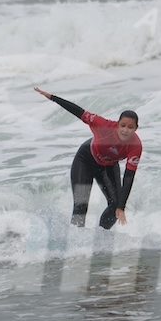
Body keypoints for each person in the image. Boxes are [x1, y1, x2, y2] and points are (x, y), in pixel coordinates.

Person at [34, 87, 142, 229]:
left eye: (130, 127)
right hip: (85, 160)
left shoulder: (135, 146)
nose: (125, 130)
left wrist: (121, 207)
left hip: (108, 166)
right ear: (117, 125)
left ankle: (100, 236)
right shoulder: (103, 125)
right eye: (122, 125)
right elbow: (78, 112)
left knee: (115, 206)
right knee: (81, 206)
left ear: (136, 128)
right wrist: (53, 97)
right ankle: (76, 240)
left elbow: (128, 177)